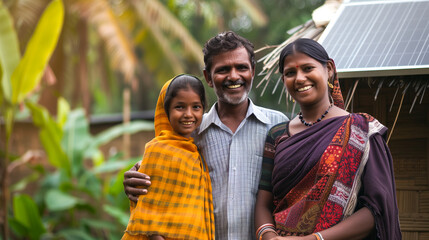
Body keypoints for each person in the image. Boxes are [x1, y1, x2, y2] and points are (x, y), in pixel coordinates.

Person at [123, 31, 288, 239]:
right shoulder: (190, 135)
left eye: (242, 67)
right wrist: (137, 179)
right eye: (223, 70)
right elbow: (163, 172)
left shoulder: (278, 126)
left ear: (253, 71)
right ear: (208, 77)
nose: (234, 76)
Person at [254, 38, 401, 240]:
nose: (299, 78)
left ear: (329, 68)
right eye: (290, 73)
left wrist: (315, 239)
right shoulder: (277, 135)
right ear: (283, 80)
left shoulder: (361, 130)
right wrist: (269, 235)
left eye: (307, 68)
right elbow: (264, 202)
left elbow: (378, 209)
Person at [122, 74, 214, 240]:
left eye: (196, 107)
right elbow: (150, 213)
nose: (188, 114)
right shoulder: (157, 151)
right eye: (179, 107)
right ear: (166, 110)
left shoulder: (194, 152)